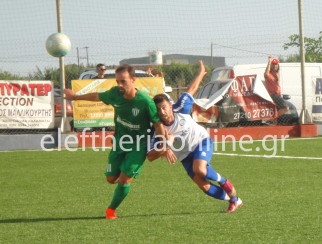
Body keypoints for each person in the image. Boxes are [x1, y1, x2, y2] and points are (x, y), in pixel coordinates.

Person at [63, 64, 176, 219]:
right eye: (117, 82)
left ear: (133, 80)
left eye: (123, 81)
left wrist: (165, 146)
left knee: (123, 180)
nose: (120, 85)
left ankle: (111, 210)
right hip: (120, 143)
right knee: (110, 179)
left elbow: (158, 125)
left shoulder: (145, 102)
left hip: (138, 146)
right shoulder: (115, 94)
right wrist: (75, 97)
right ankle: (126, 176)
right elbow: (97, 96)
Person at [147, 60, 243, 213]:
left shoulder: (180, 108)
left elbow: (191, 90)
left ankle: (224, 182)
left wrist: (200, 74)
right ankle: (234, 199)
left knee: (200, 170)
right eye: (158, 110)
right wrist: (166, 146)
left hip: (201, 142)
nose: (162, 112)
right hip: (185, 156)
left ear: (170, 107)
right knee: (203, 185)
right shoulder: (156, 128)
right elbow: (150, 156)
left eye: (164, 108)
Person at [264, 56, 289, 124]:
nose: (275, 66)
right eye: (273, 64)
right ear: (271, 66)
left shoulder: (277, 73)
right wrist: (269, 62)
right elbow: (266, 74)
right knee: (286, 108)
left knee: (276, 111)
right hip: (273, 94)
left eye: (276, 64)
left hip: (278, 95)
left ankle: (273, 124)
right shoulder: (268, 74)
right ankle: (272, 119)